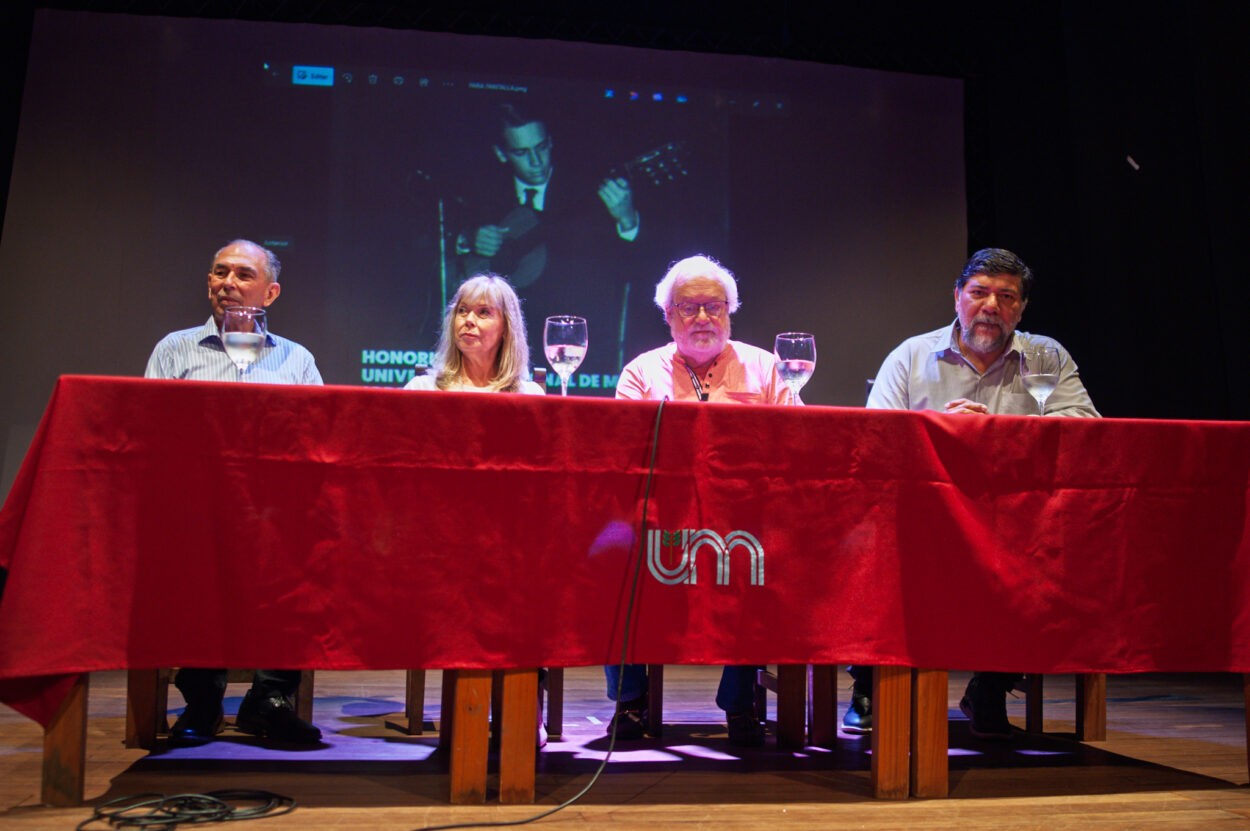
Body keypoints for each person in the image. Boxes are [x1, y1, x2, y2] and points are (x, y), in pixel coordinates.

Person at [849, 247, 1099, 739]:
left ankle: (990, 687)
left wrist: (1002, 433)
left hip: (1016, 520)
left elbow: (1086, 428)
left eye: (1006, 297)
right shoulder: (912, 354)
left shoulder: (1045, 356)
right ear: (957, 298)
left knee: (1055, 553)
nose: (991, 306)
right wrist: (942, 431)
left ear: (1021, 310)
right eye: (979, 293)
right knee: (873, 544)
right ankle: (871, 684)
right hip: (924, 517)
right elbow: (873, 434)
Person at [608, 254, 792, 747]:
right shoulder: (640, 373)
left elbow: (797, 445)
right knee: (608, 557)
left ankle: (739, 702)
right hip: (661, 520)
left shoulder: (767, 368)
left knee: (770, 562)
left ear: (730, 312)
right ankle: (629, 700)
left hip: (745, 522)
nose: (704, 318)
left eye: (714, 307)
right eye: (689, 308)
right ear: (668, 316)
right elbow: (622, 458)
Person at [144, 239, 323, 746]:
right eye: (220, 273)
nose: (228, 283)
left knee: (303, 553)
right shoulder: (175, 350)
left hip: (272, 513)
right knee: (193, 558)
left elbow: (315, 443)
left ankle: (269, 701)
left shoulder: (296, 360)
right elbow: (153, 434)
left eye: (243, 275)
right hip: (195, 509)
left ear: (271, 293)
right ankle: (202, 698)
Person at [403, 273, 548, 744]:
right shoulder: (423, 391)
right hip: (441, 545)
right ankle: (467, 713)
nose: (469, 320)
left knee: (530, 576)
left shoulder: (530, 399)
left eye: (484, 312)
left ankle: (523, 709)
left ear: (507, 328)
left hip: (509, 546)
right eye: (462, 311)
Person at [456, 103, 649, 388]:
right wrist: (468, 240)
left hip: (574, 356)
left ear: (551, 142)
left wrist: (627, 219)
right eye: (521, 153)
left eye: (542, 147)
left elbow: (632, 268)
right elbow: (427, 239)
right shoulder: (481, 192)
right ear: (502, 153)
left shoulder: (585, 192)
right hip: (496, 356)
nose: (536, 161)